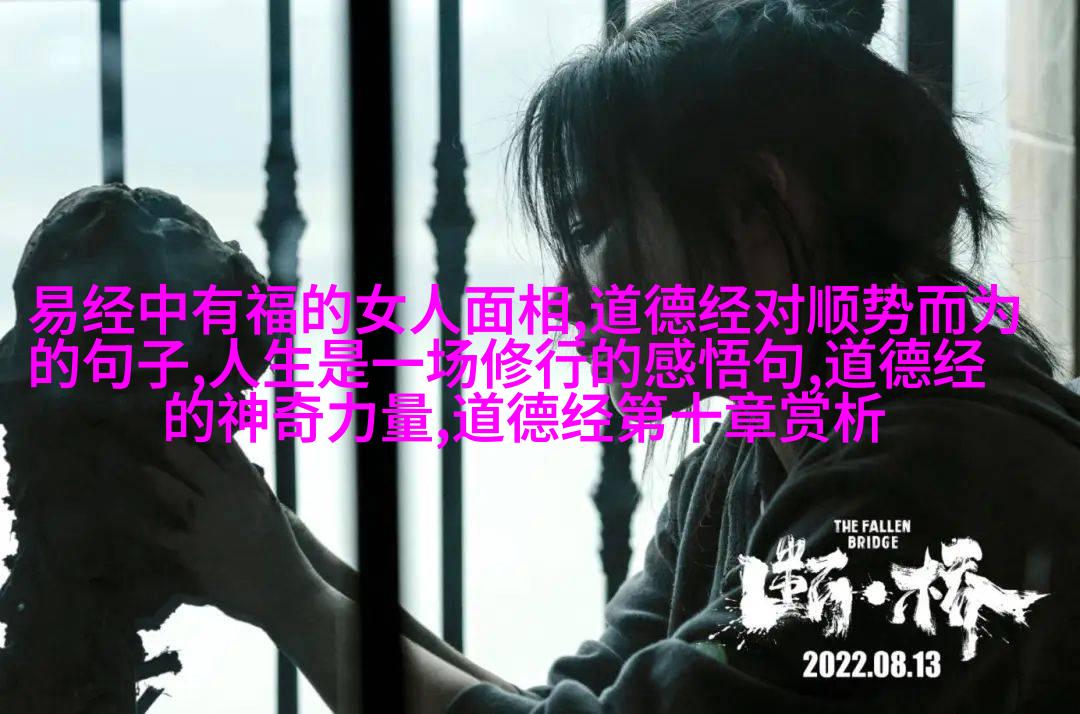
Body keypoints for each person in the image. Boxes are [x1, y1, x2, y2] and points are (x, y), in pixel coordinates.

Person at [135, 0, 1080, 712]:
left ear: (758, 209)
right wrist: (279, 551)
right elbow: (563, 704)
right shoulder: (759, 449)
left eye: (588, 227)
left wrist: (284, 593)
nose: (562, 294)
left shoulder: (915, 495)